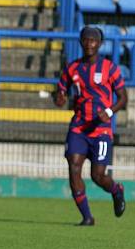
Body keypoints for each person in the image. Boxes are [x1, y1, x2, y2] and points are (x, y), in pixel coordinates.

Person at [54, 26, 127, 226]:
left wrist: (109, 112)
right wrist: (59, 98)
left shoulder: (110, 68)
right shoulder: (71, 68)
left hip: (101, 130)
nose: (89, 44)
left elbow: (123, 98)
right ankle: (87, 217)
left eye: (93, 40)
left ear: (100, 44)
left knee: (98, 175)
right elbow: (59, 93)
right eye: (86, 40)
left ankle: (116, 190)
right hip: (78, 127)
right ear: (81, 42)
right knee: (74, 167)